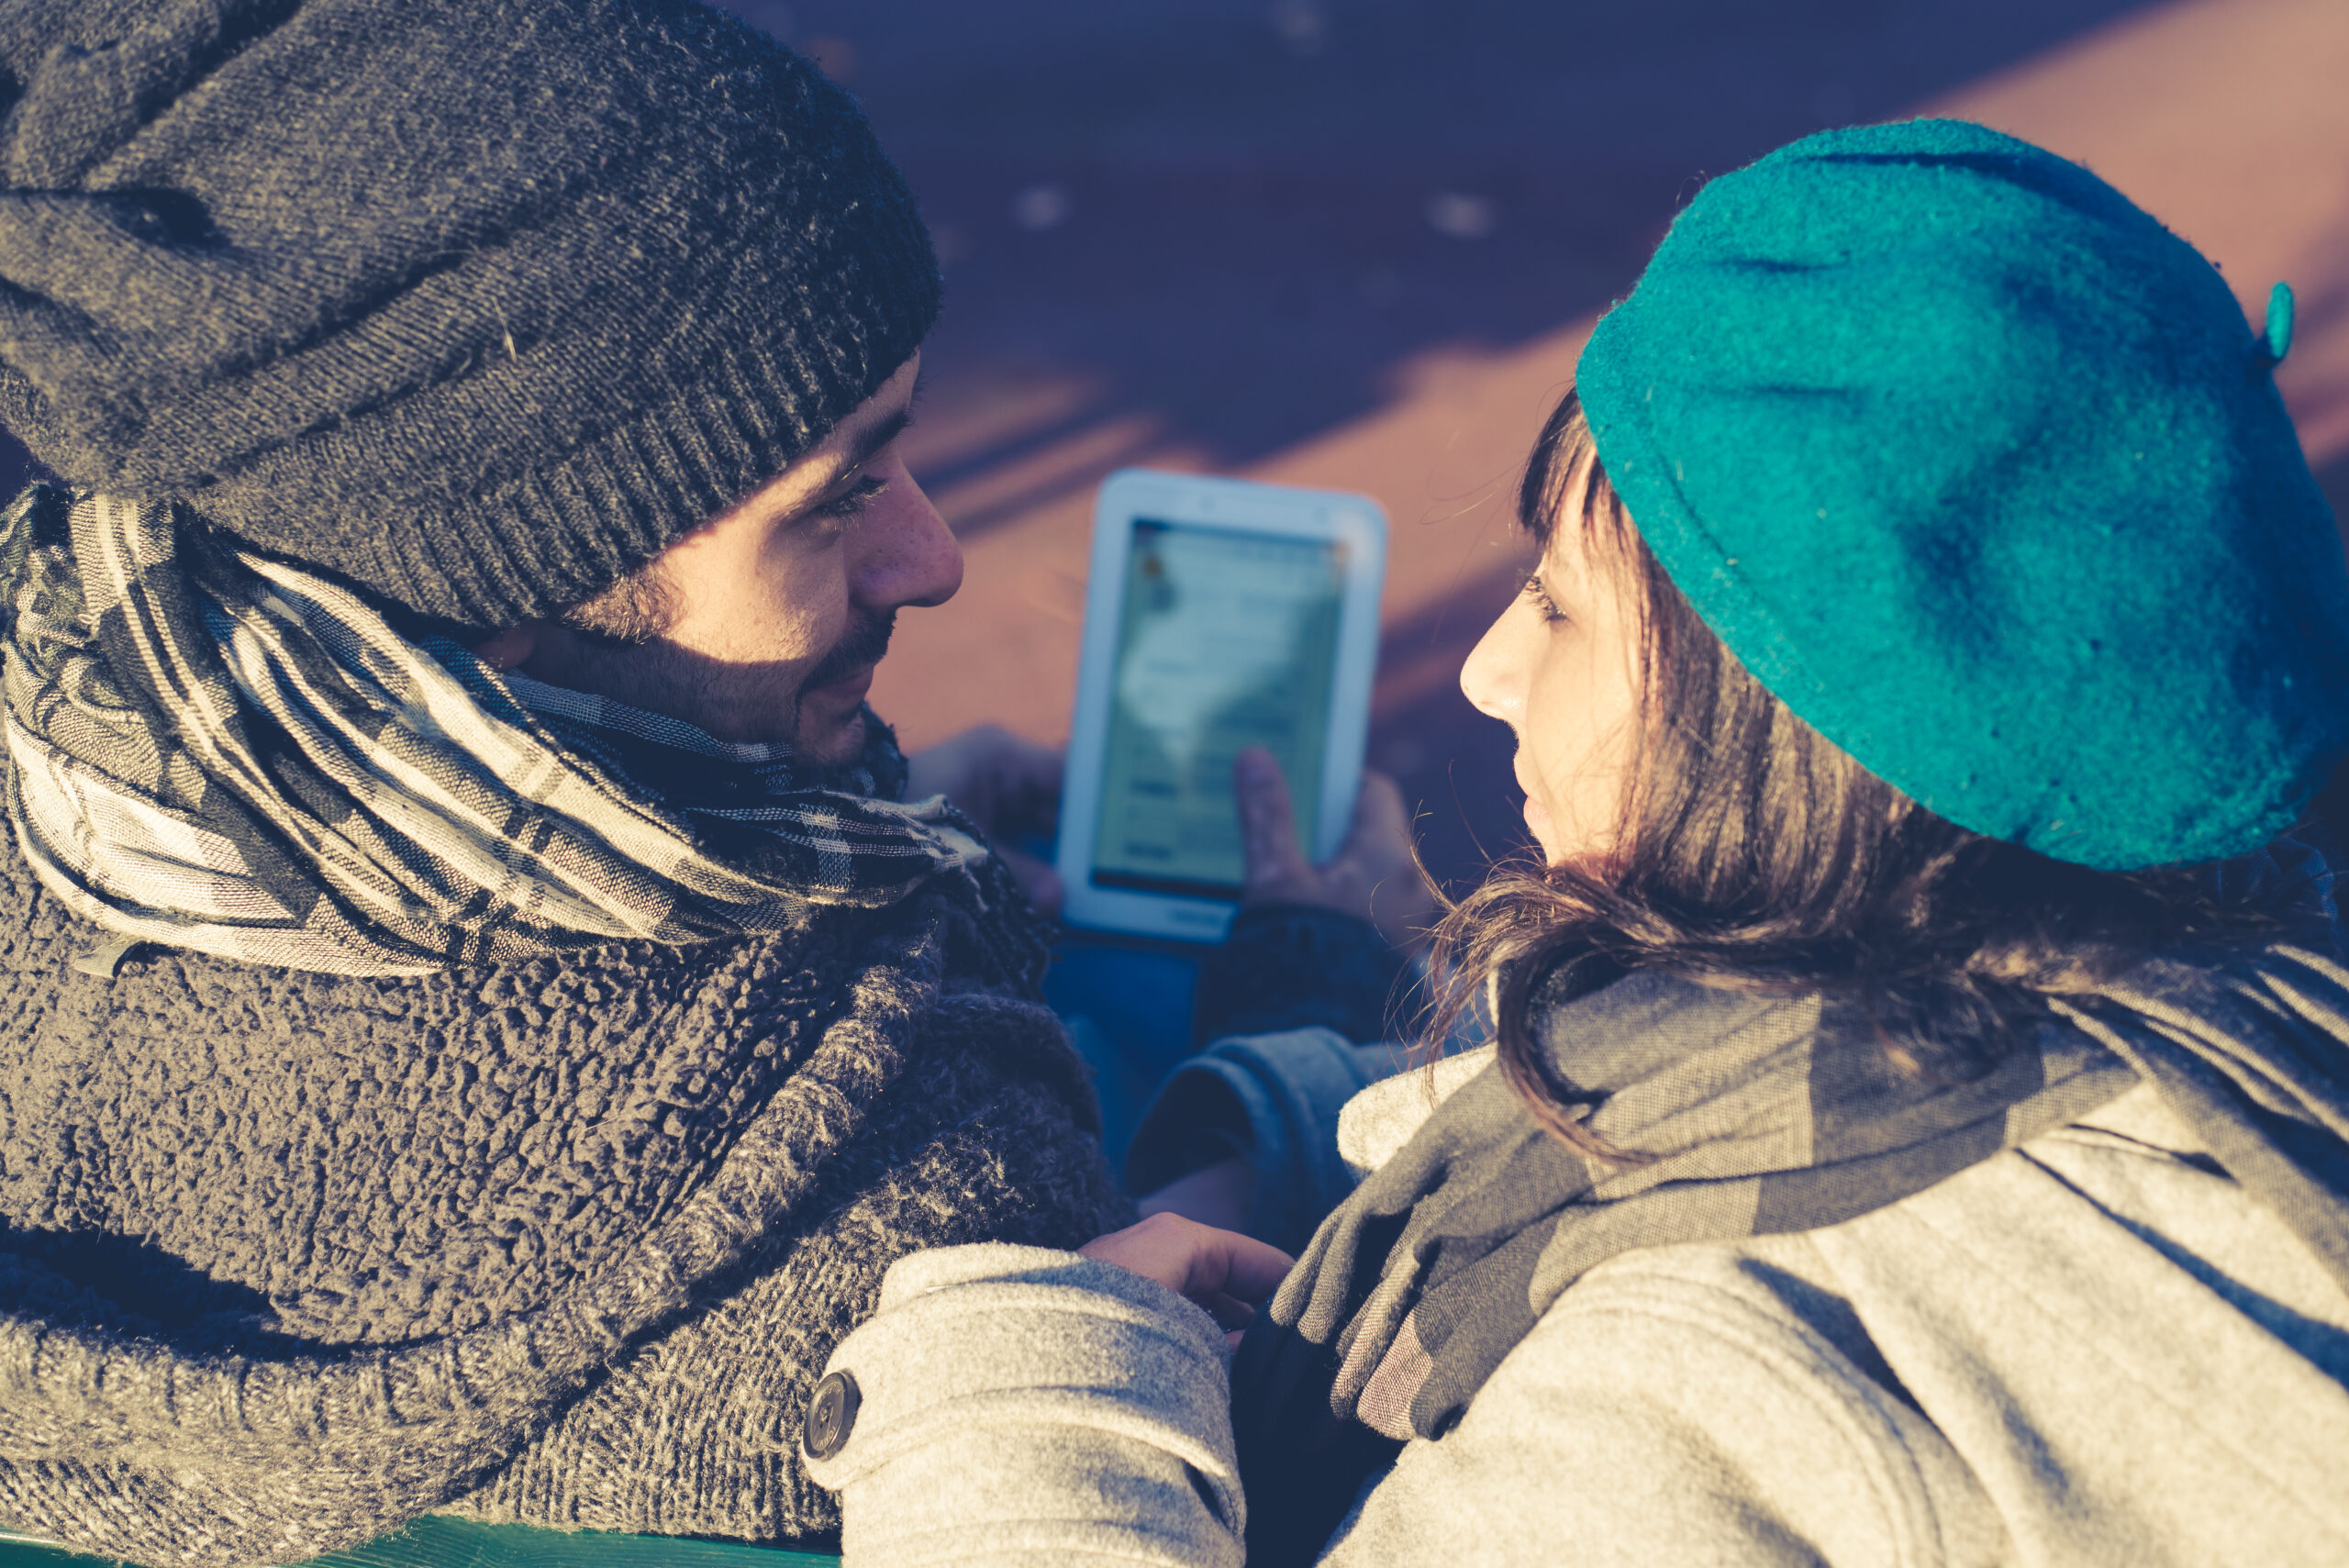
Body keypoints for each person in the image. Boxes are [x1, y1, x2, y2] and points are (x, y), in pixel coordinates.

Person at [801, 119, 2349, 1565]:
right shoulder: (2197, 959)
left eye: (1559, 604)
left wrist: (1027, 1371)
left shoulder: (1704, 1396)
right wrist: (1269, 1123)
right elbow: (1628, 1092)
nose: (1484, 667)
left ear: (1786, 740)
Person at [0, 3, 1123, 1562]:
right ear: (503, 588)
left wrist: (892, 806)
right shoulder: (919, 1168)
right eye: (838, 496)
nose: (931, 558)